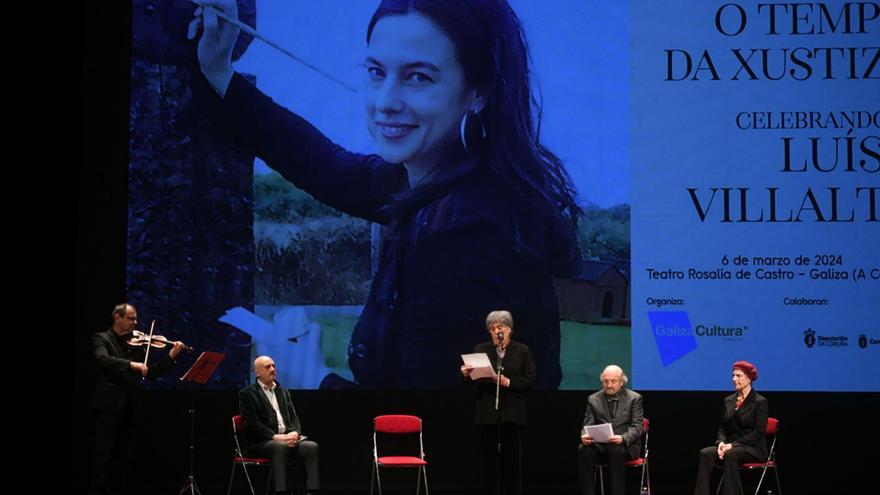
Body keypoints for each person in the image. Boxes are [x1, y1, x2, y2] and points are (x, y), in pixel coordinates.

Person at [190, 0, 581, 389]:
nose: (385, 102)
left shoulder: (467, 234)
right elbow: (323, 165)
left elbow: (429, 425)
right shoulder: (438, 182)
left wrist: (307, 375)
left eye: (418, 78)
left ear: (478, 91)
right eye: (377, 72)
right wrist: (220, 71)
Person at [89, 303, 185, 495]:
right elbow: (103, 360)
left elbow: (149, 373)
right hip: (109, 407)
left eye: (135, 319)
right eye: (131, 318)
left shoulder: (135, 344)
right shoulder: (102, 338)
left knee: (124, 459)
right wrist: (131, 364)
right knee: (104, 457)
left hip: (131, 406)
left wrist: (171, 357)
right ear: (118, 318)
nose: (135, 322)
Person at [461, 310, 535, 495]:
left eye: (500, 327)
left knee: (512, 461)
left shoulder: (522, 350)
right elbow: (472, 382)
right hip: (487, 410)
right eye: (492, 328)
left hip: (512, 411)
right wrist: (466, 376)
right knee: (488, 461)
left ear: (509, 330)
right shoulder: (481, 349)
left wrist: (507, 382)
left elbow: (530, 381)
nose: (496, 331)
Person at [239, 355, 320, 495]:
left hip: (285, 439)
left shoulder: (283, 391)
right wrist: (276, 437)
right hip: (261, 443)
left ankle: (312, 491)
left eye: (273, 366)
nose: (272, 369)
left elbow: (294, 418)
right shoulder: (247, 394)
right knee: (281, 447)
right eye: (267, 367)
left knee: (311, 447)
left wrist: (295, 433)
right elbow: (253, 425)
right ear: (257, 372)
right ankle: (281, 492)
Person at [694, 361, 769, 495]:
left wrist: (732, 446)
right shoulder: (728, 400)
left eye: (738, 376)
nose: (734, 379)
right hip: (731, 446)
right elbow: (722, 427)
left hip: (753, 448)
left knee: (730, 455)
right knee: (705, 453)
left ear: (749, 378)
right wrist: (721, 443)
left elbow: (758, 433)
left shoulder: (760, 402)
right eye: (733, 375)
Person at [576, 365, 644, 495]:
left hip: (624, 445)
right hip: (601, 444)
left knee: (616, 450)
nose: (609, 385)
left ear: (621, 381)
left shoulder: (634, 398)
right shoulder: (593, 399)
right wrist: (584, 436)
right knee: (583, 449)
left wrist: (623, 438)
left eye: (613, 381)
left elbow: (638, 426)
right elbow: (587, 425)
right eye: (605, 381)